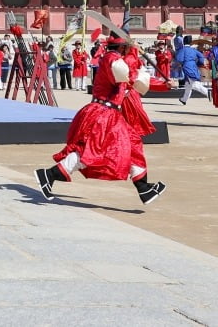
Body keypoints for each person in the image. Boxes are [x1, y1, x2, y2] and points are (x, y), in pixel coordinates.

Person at [35, 34, 165, 205]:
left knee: (133, 144)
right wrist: (133, 52)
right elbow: (127, 73)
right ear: (122, 47)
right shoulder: (112, 59)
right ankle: (49, 174)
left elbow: (134, 79)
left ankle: (143, 187)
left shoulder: (116, 60)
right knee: (91, 152)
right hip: (103, 114)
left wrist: (164, 84)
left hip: (110, 114)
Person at [176, 35, 208, 105]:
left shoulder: (182, 50)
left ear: (184, 42)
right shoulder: (194, 50)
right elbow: (201, 56)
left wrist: (180, 64)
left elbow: (179, 59)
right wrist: (199, 63)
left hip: (187, 67)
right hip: (194, 66)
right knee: (188, 85)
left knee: (193, 84)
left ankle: (208, 93)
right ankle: (184, 99)